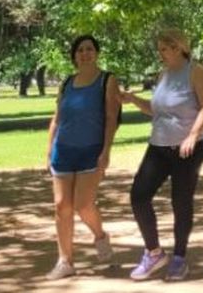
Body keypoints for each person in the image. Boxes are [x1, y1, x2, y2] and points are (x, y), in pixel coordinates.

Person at [120, 28, 203, 281]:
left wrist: (193, 135)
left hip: (189, 148)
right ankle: (154, 253)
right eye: (160, 49)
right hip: (159, 146)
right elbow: (156, 110)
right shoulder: (163, 74)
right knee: (139, 196)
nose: (160, 53)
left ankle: (179, 258)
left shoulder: (196, 71)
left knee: (180, 201)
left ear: (178, 47)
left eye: (164, 48)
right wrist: (132, 99)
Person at [44, 34, 121, 280]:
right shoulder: (67, 82)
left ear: (96, 53)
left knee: (83, 204)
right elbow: (57, 118)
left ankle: (100, 236)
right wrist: (49, 149)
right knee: (61, 206)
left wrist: (106, 151)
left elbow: (111, 118)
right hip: (63, 150)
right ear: (74, 55)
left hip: (91, 149)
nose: (85, 53)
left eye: (89, 49)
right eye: (80, 50)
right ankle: (65, 261)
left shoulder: (107, 80)